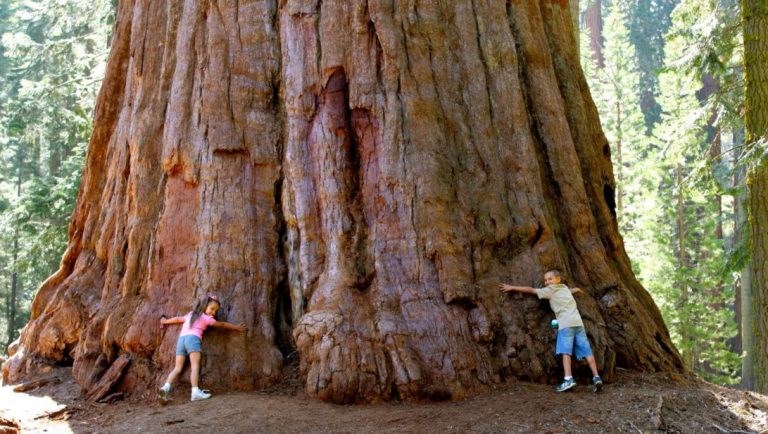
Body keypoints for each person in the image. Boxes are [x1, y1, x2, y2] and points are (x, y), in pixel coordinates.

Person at [498, 269, 603, 393]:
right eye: (545, 280)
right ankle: (596, 377)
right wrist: (577, 289)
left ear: (558, 279)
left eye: (550, 279)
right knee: (587, 351)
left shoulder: (550, 291)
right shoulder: (564, 288)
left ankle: (568, 379)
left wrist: (512, 287)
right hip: (578, 324)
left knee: (566, 353)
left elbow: (531, 290)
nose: (547, 282)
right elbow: (571, 291)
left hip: (566, 325)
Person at [158, 293, 247, 403]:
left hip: (181, 340)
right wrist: (237, 328)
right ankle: (195, 391)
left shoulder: (191, 314)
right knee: (195, 366)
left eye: (215, 311)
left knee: (177, 368)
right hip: (193, 339)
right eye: (212, 309)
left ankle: (165, 388)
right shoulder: (207, 319)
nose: (213, 313)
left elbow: (177, 319)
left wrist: (165, 321)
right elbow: (222, 325)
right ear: (205, 305)